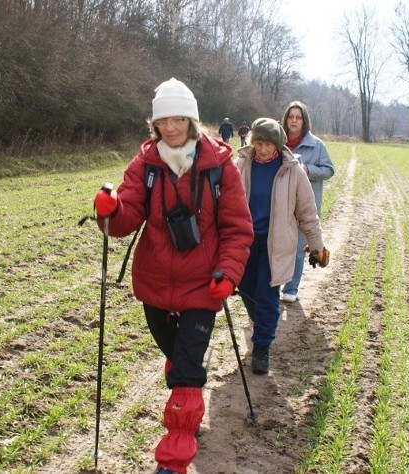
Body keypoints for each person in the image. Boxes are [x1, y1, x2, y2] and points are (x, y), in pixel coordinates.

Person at [93, 77, 253, 474]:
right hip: (156, 285)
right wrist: (109, 211)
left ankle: (174, 460)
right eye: (163, 120)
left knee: (185, 374)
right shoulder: (145, 165)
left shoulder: (220, 167)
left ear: (192, 120)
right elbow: (127, 217)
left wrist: (228, 274)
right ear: (155, 123)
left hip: (203, 284)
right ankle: (184, 375)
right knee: (177, 357)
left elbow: (237, 229)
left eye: (178, 119)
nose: (170, 127)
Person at [235, 117, 326, 375]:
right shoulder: (241, 164)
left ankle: (262, 347)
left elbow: (308, 212)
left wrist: (316, 245)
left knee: (267, 293)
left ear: (278, 145)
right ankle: (263, 321)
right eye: (259, 143)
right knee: (247, 289)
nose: (263, 149)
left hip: (277, 243)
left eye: (268, 144)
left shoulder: (292, 170)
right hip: (245, 241)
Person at [280, 101, 335, 303]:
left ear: (304, 121)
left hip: (304, 204)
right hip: (280, 204)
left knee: (298, 248)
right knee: (277, 246)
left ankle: (291, 289)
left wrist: (308, 170)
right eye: (291, 116)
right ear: (285, 119)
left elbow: (329, 170)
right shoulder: (277, 142)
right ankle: (274, 283)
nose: (294, 120)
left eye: (298, 117)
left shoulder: (317, 145)